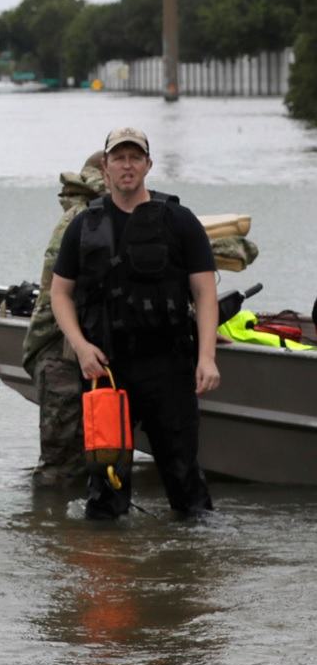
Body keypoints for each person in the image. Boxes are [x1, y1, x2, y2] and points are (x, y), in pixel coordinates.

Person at [49, 127, 220, 519]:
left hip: (169, 366)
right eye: (119, 158)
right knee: (106, 483)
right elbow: (60, 294)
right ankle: (108, 570)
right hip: (106, 370)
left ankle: (193, 567)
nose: (127, 166)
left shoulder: (179, 221)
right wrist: (79, 346)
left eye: (135, 157)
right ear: (105, 168)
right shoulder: (83, 225)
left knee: (185, 481)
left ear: (148, 165)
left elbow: (205, 293)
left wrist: (206, 358)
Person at [21, 152, 106, 487]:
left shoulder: (88, 216)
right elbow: (59, 294)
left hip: (75, 353)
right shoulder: (81, 220)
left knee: (93, 456)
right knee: (62, 466)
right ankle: (52, 531)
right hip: (61, 355)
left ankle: (64, 534)